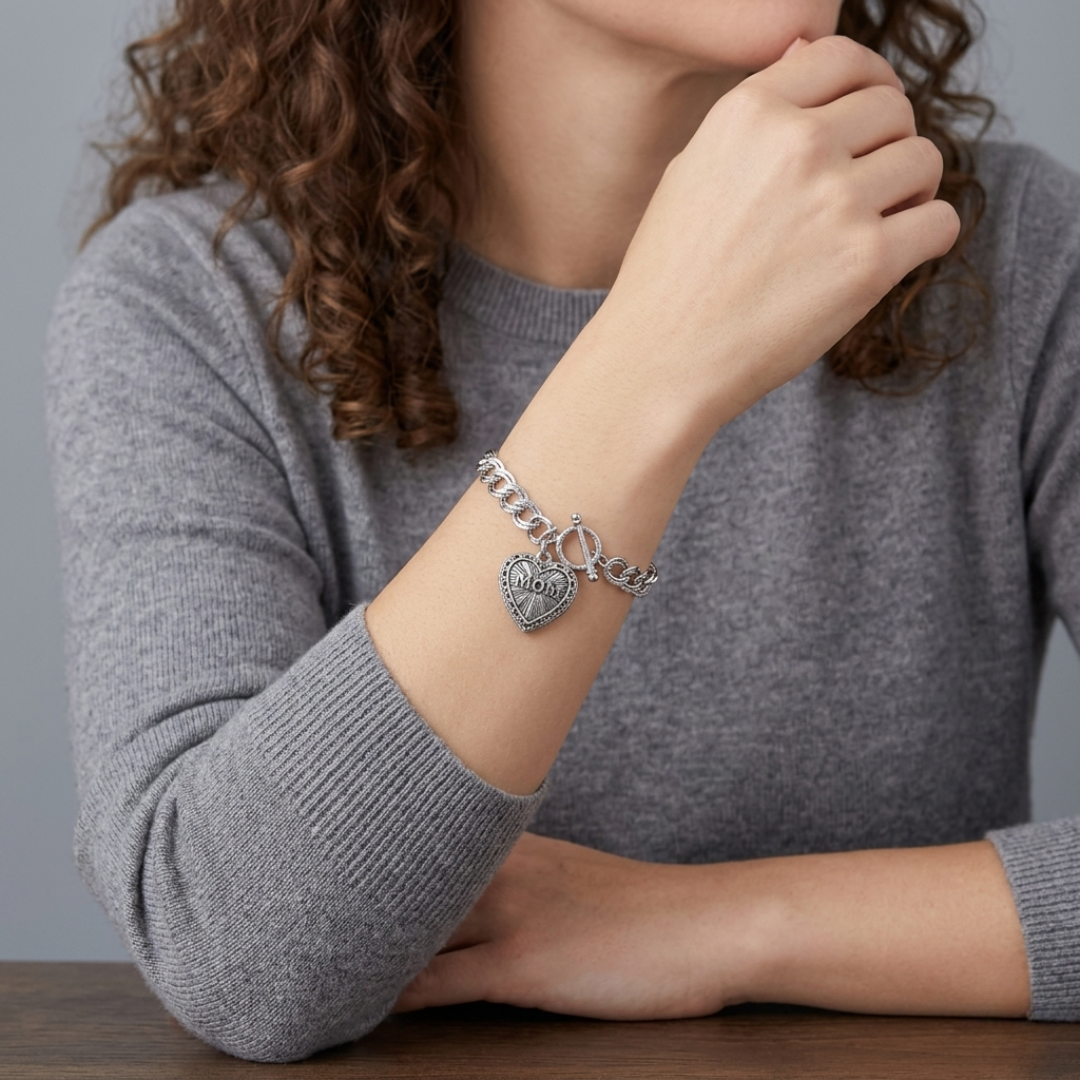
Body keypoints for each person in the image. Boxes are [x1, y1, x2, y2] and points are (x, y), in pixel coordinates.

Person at [44, 0, 1080, 1063]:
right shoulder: (197, 304)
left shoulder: (1023, 257)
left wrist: (714, 924)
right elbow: (235, 953)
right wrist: (654, 362)